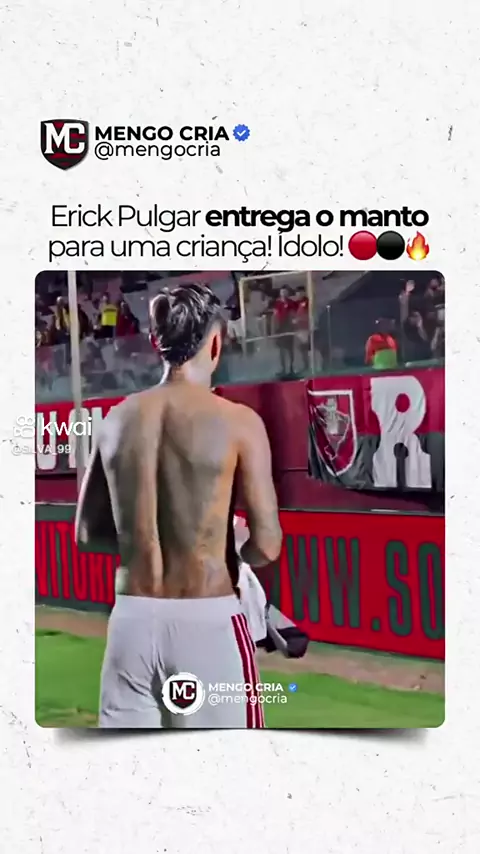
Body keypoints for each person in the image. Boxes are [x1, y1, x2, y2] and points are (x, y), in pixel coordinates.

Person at [75, 283, 282, 729]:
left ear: (156, 341)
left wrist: (150, 540)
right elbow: (267, 546)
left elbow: (87, 533)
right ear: (215, 342)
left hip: (131, 622)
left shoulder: (115, 419)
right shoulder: (239, 422)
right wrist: (233, 549)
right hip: (206, 621)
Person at [271, 285, 296, 377]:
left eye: (285, 292)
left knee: (290, 349)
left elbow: (294, 314)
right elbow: (274, 316)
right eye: (282, 292)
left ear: (288, 293)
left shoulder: (291, 303)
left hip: (289, 328)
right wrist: (274, 329)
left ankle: (291, 368)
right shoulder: (277, 304)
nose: (284, 294)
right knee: (281, 350)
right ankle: (283, 369)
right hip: (280, 329)